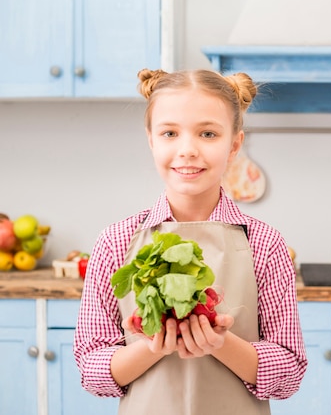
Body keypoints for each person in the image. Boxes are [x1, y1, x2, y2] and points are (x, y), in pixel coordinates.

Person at [73, 68, 307, 414]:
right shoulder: (115, 242)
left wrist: (220, 343)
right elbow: (92, 371)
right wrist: (153, 345)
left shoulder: (265, 244)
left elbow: (288, 374)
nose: (187, 150)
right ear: (151, 140)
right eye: (170, 133)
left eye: (208, 134)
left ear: (234, 145)